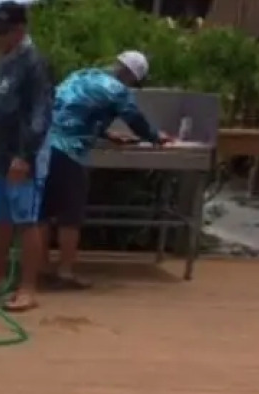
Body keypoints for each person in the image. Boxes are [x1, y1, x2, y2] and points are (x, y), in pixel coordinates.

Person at [39, 50, 172, 290]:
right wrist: (156, 137)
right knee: (70, 215)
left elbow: (69, 108)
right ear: (132, 76)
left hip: (44, 146)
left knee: (43, 212)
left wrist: (105, 133)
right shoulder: (118, 91)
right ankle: (65, 272)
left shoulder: (81, 75)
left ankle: (40, 268)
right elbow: (135, 119)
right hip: (70, 151)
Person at [0, 0, 52, 313]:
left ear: (20, 31)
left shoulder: (35, 63)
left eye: (4, 33)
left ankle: (28, 288)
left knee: (26, 219)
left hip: (24, 154)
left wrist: (25, 155)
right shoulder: (3, 61)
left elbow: (40, 113)